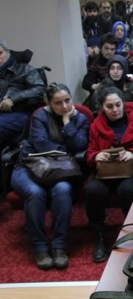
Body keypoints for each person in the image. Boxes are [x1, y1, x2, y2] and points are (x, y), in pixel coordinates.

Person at [11, 83, 89, 270]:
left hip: (60, 170)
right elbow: (41, 145)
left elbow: (79, 145)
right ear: (48, 103)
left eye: (67, 101)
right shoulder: (39, 116)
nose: (64, 106)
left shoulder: (81, 118)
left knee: (63, 190)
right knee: (34, 192)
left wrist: (66, 122)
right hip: (29, 167)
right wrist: (66, 151)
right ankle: (39, 247)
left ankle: (59, 246)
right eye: (58, 103)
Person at [84, 86, 133, 263]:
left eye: (118, 104)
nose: (115, 110)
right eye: (109, 106)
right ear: (102, 108)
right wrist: (96, 155)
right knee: (92, 190)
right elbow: (90, 152)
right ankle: (99, 236)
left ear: (123, 103)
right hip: (107, 172)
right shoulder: (95, 125)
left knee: (126, 190)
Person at [0, 40, 46, 150]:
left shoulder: (25, 69)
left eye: (0, 53)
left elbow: (39, 89)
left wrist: (13, 99)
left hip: (19, 112)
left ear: (8, 52)